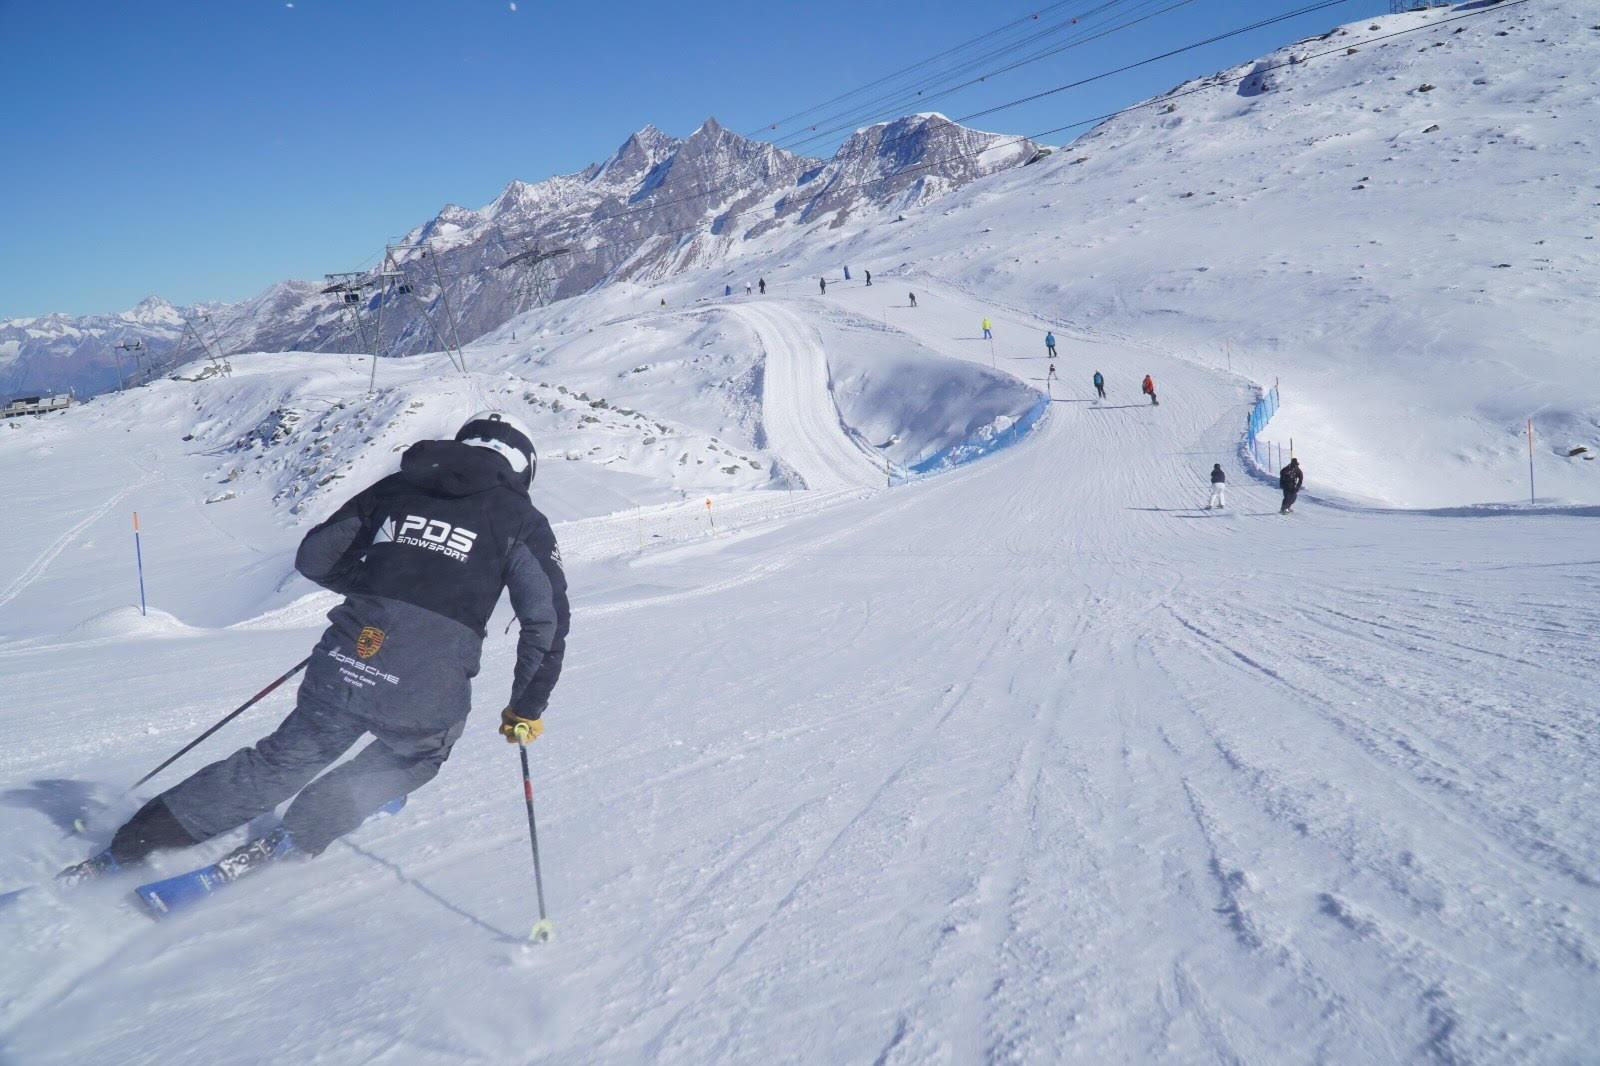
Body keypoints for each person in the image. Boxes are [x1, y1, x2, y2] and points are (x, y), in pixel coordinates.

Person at [58, 413, 570, 887]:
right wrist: (525, 708)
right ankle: (306, 827)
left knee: (281, 761)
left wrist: (374, 597)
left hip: (346, 659)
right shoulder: (522, 520)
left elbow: (315, 557)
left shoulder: (398, 487)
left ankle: (132, 845)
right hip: (424, 687)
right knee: (417, 752)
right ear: (522, 468)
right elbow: (544, 622)